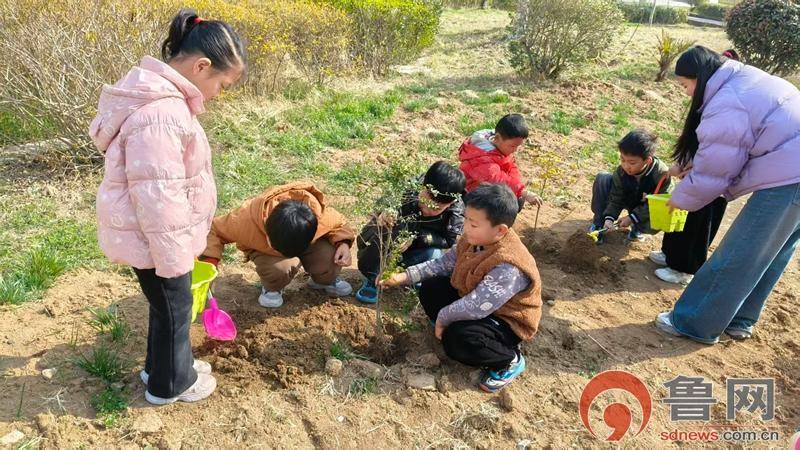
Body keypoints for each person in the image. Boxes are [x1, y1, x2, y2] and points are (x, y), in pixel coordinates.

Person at [92, 9, 246, 405]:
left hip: (156, 240)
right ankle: (171, 384)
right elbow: (158, 198)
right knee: (176, 309)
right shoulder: (163, 113)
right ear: (201, 66)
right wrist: (175, 257)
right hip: (159, 241)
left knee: (165, 308)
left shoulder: (162, 102)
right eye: (222, 84)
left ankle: (158, 369)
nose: (219, 94)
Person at [654, 46, 800, 344]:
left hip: (791, 178)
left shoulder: (727, 102)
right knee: (771, 253)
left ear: (700, 77)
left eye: (685, 85)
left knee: (742, 249)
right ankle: (739, 318)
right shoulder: (741, 80)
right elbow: (726, 146)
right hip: (793, 172)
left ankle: (694, 321)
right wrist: (682, 166)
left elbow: (715, 170)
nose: (685, 93)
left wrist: (679, 199)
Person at [380, 183, 542, 392]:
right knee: (431, 287)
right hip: (476, 300)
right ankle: (450, 328)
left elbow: (477, 306)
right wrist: (403, 276)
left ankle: (509, 359)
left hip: (505, 320)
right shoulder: (473, 239)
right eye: (466, 219)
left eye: (473, 224)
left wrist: (444, 317)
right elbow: (442, 264)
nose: (465, 228)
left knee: (459, 340)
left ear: (500, 230)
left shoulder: (509, 265)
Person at [200, 182, 355, 308]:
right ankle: (272, 287)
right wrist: (210, 263)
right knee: (280, 269)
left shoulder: (318, 215)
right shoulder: (244, 220)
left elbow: (340, 224)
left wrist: (343, 243)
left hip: (306, 242)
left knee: (330, 259)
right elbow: (214, 230)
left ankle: (323, 282)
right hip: (265, 251)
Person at [355, 161, 465, 303]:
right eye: (424, 203)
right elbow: (381, 207)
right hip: (389, 247)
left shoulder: (455, 212)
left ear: (451, 203)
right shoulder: (406, 189)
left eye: (436, 209)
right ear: (423, 186)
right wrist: (384, 214)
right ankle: (374, 277)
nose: (428, 210)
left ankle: (414, 278)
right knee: (386, 229)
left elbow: (449, 240)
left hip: (417, 250)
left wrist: (417, 238)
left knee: (434, 254)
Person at [590, 129, 670, 244]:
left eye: (632, 163)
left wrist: (632, 218)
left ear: (647, 160)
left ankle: (638, 228)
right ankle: (599, 225)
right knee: (603, 178)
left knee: (663, 209)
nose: (626, 166)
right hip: (628, 198)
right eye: (622, 159)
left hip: (646, 204)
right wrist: (609, 218)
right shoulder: (621, 172)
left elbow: (661, 203)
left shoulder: (662, 175)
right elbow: (616, 197)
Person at [458, 114, 543, 211]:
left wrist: (519, 190)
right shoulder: (481, 157)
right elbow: (496, 179)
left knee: (516, 200)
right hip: (470, 195)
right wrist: (522, 191)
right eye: (513, 146)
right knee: (507, 205)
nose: (515, 150)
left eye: (518, 146)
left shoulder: (501, 144)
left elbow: (511, 167)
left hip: (487, 190)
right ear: (497, 138)